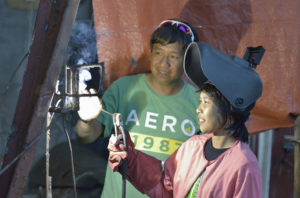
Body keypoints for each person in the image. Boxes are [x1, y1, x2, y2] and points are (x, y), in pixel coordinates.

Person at [108, 42, 263, 197]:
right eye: (200, 101)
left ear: (230, 110)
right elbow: (164, 187)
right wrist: (130, 159)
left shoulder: (243, 164)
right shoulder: (192, 146)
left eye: (206, 102)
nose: (198, 109)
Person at [76, 19, 200, 198]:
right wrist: (86, 120)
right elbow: (85, 137)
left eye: (173, 57)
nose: (163, 63)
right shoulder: (123, 89)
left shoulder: (200, 102)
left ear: (188, 61)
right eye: (158, 53)